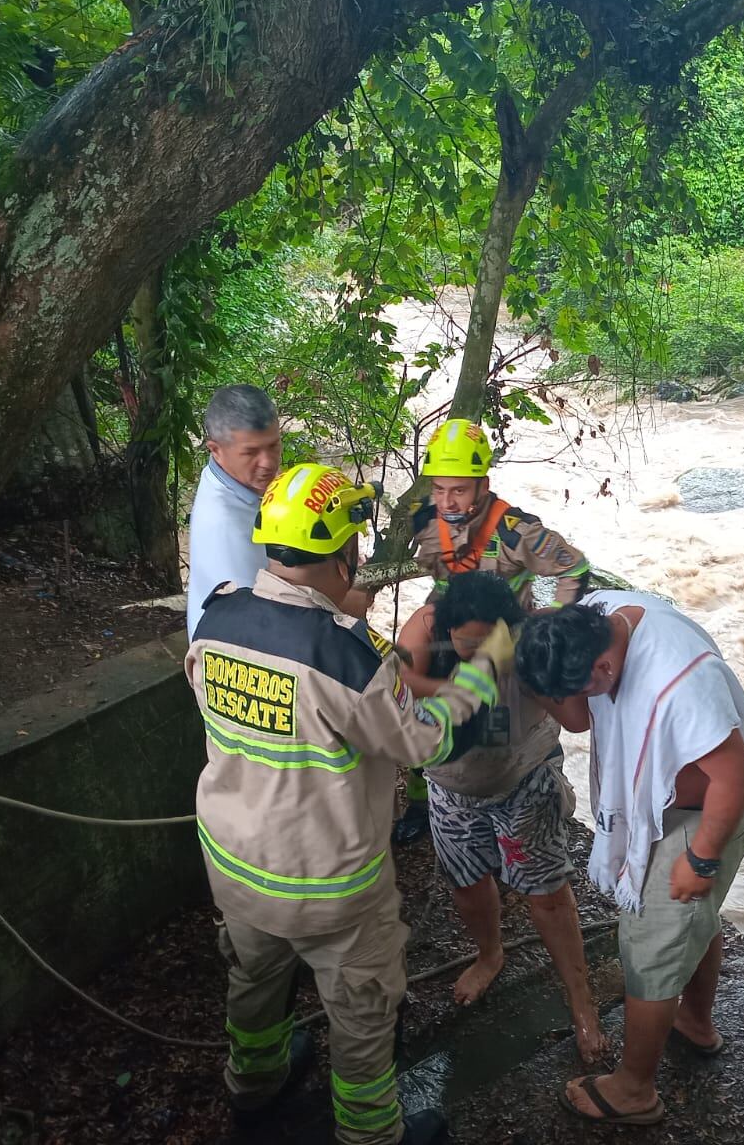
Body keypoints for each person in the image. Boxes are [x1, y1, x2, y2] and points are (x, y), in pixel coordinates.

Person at [186, 462, 516, 1145]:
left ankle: (254, 1086)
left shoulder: (213, 619)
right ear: (344, 551)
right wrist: (485, 669)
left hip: (236, 868)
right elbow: (423, 742)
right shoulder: (346, 658)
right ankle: (370, 1133)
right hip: (328, 888)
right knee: (362, 1015)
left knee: (253, 981)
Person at [515, 591, 744, 1127]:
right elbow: (580, 716)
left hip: (703, 815)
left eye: (580, 687)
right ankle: (694, 1022)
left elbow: (736, 775)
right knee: (692, 924)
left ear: (603, 667)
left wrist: (700, 858)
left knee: (649, 947)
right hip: (664, 805)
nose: (574, 702)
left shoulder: (677, 677)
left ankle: (633, 1091)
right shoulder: (596, 618)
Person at [395, 570, 604, 1062]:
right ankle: (491, 955)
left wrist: (555, 665)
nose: (474, 651)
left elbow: (577, 719)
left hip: (523, 782)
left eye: (487, 640)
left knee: (547, 895)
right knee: (468, 886)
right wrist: (463, 688)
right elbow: (398, 678)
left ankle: (582, 1002)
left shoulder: (528, 645)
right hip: (451, 788)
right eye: (463, 641)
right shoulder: (425, 629)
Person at [394, 417, 591, 844]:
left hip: (504, 636)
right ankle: (422, 802)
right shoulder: (427, 518)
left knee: (506, 724)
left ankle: (535, 786)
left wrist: (540, 620)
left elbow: (572, 569)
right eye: (440, 488)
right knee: (420, 706)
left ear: (482, 485)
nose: (447, 500)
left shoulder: (517, 531)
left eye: (459, 489)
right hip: (447, 622)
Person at [185, 384, 284, 639]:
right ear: (215, 450)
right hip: (231, 657)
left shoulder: (234, 480)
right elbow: (260, 621)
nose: (268, 463)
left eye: (273, 446)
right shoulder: (224, 526)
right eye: (251, 452)